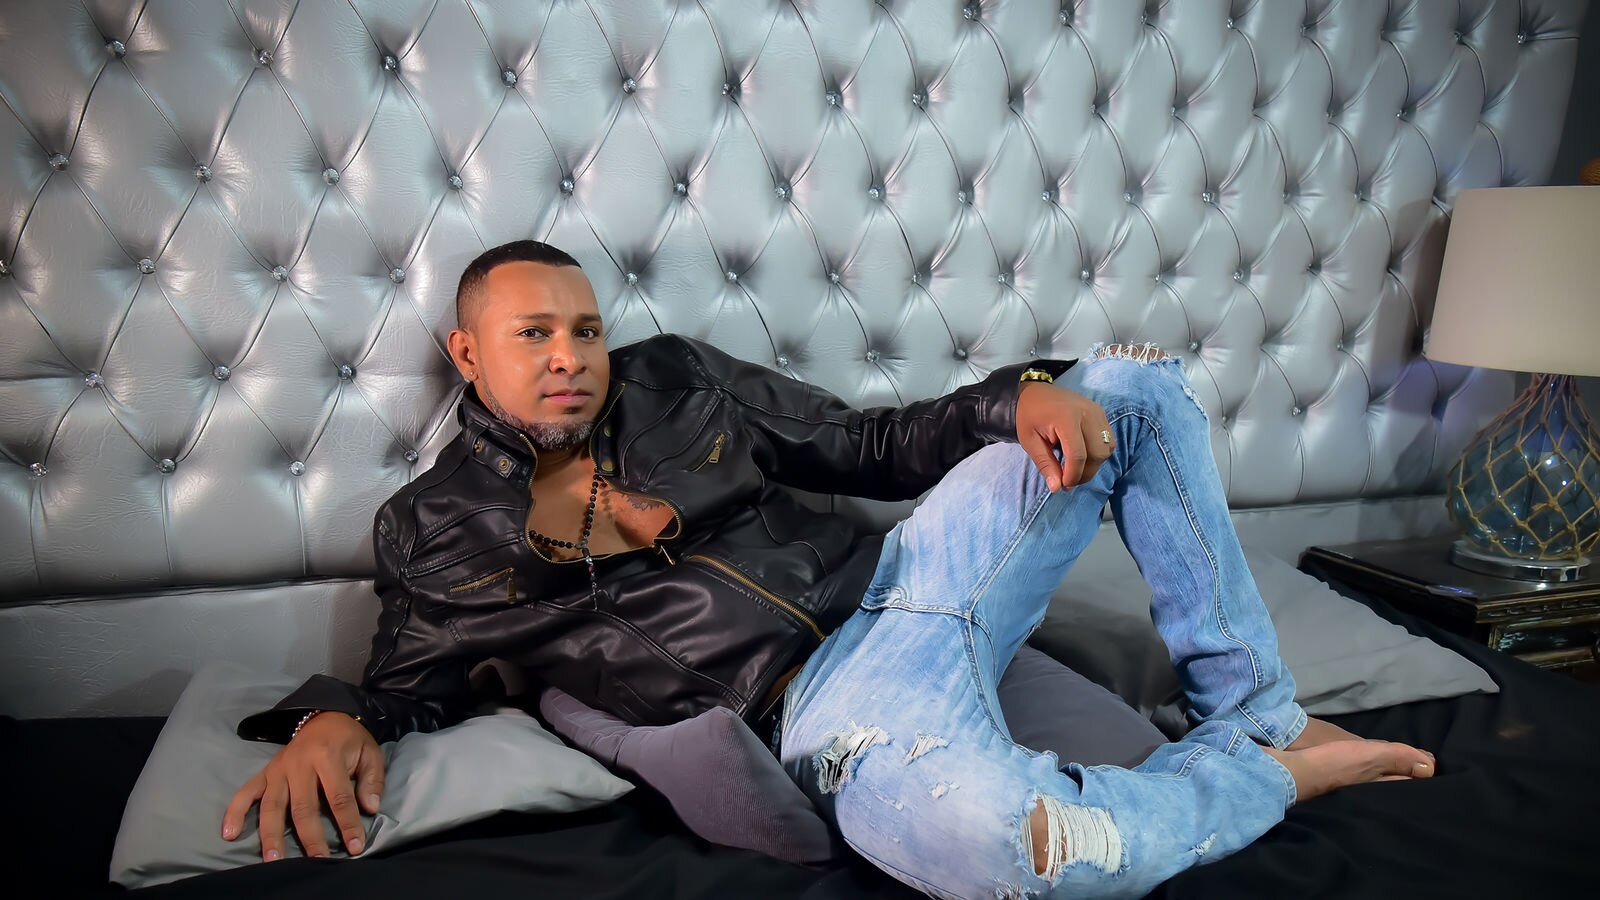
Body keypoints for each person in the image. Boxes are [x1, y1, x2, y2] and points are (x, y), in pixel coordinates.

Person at [221, 240, 1434, 897]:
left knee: (1128, 384)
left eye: (583, 328)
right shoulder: (435, 529)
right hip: (832, 708)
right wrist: (330, 720)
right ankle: (1266, 779)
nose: (569, 356)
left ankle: (1256, 713)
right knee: (1013, 851)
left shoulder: (677, 377)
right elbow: (405, 678)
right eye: (531, 333)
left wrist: (1011, 402)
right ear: (465, 351)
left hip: (916, 580)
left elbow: (865, 444)